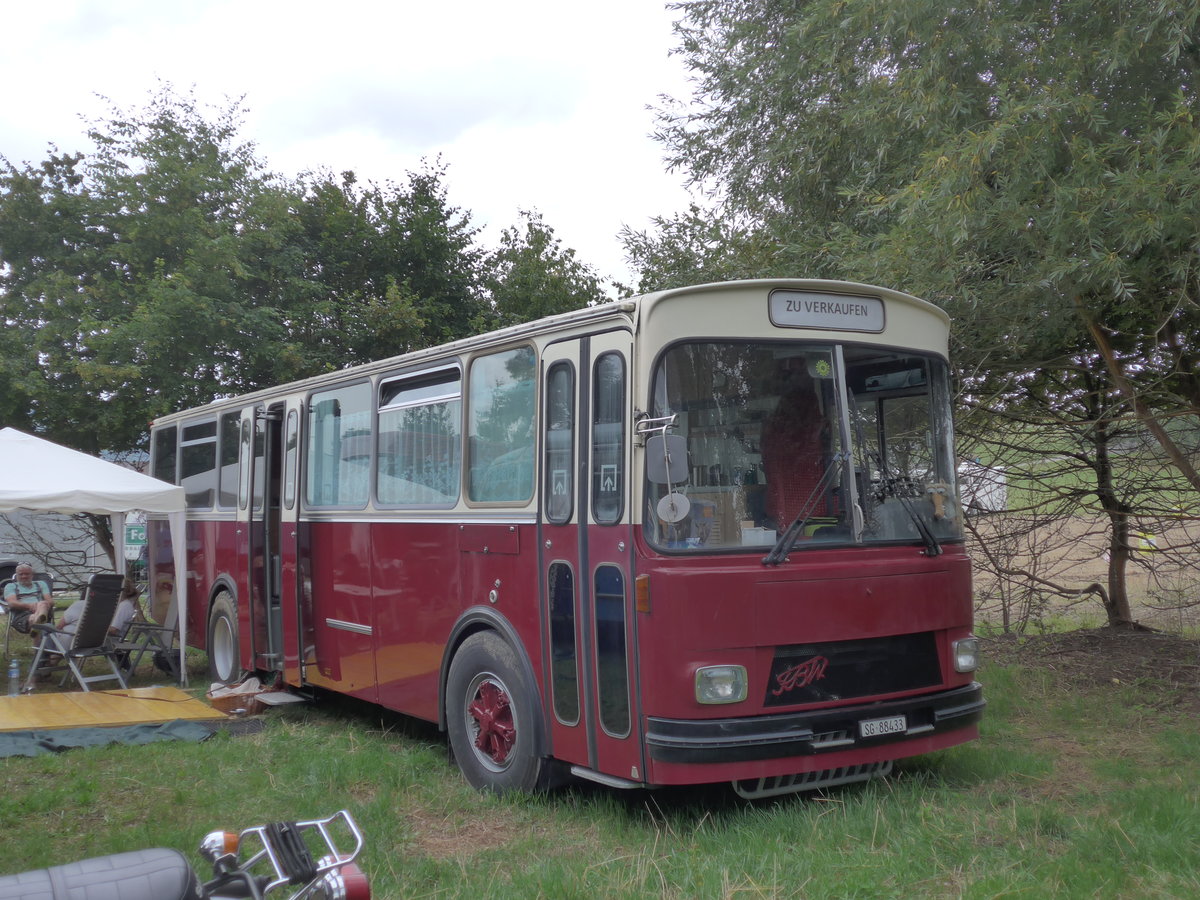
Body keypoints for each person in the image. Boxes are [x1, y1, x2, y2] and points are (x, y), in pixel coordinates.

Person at [3, 564, 53, 631]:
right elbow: (12, 603)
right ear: (17, 575)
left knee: (42, 605)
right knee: (37, 620)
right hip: (21, 616)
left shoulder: (41, 584)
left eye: (27, 574)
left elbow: (50, 601)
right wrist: (30, 606)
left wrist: (39, 606)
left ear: (32, 575)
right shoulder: (10, 586)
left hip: (43, 613)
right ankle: (39, 621)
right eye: (21, 574)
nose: (24, 576)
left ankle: (38, 621)